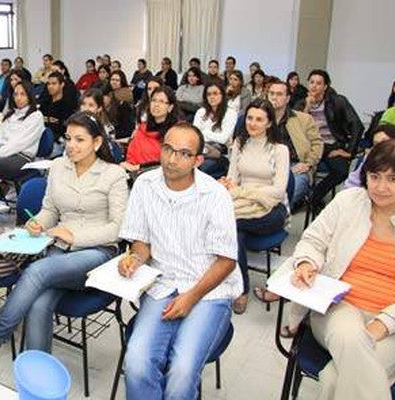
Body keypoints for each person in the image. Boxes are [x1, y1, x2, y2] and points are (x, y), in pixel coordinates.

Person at [0, 111, 128, 371]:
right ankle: (39, 375)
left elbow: (118, 228)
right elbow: (50, 210)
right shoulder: (59, 166)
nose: (71, 145)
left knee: (37, 270)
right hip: (59, 248)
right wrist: (38, 222)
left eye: (80, 140)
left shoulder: (113, 175)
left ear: (96, 143)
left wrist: (74, 235)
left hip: (97, 252)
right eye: (69, 138)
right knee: (39, 304)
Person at [285, 139, 395, 400]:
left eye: (392, 179)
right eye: (374, 176)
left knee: (335, 378)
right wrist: (306, 263)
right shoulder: (347, 202)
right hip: (340, 307)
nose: (380, 187)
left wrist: (384, 323)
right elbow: (313, 241)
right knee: (351, 337)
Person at [119, 122, 241, 399]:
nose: (172, 159)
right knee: (136, 363)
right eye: (168, 149)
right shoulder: (144, 184)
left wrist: (191, 297)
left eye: (184, 154)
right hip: (163, 283)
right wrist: (136, 257)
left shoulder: (215, 195)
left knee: (182, 371)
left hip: (209, 290)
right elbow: (141, 240)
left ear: (198, 160)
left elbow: (226, 262)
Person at [219, 99, 289, 314]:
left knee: (230, 224)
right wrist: (234, 189)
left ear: (269, 123)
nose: (253, 123)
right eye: (250, 118)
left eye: (259, 119)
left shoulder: (280, 149)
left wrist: (241, 192)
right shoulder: (240, 144)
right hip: (242, 206)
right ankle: (240, 288)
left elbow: (278, 191)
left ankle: (236, 287)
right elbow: (232, 180)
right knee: (235, 230)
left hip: (273, 210)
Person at [294, 69, 364, 211]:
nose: (314, 86)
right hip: (310, 146)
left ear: (325, 86)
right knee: (295, 169)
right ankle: (302, 198)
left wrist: (349, 152)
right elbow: (297, 129)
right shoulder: (301, 103)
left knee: (342, 170)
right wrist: (308, 106)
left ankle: (313, 197)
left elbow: (357, 125)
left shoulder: (337, 101)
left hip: (331, 145)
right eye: (312, 82)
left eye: (319, 83)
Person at [0, 81, 44, 183]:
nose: (18, 98)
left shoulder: (35, 116)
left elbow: (19, 143)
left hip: (21, 158)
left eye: (22, 94)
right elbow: (0, 134)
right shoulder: (12, 114)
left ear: (30, 96)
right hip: (4, 154)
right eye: (15, 94)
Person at [267, 80, 323, 206]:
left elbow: (317, 143)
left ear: (287, 99)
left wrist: (308, 164)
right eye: (271, 93)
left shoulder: (303, 119)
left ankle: (275, 215)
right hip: (267, 165)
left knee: (288, 194)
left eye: (279, 94)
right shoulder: (261, 119)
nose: (274, 97)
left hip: (295, 167)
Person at [122, 86, 178, 172]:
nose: (156, 105)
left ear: (170, 107)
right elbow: (131, 153)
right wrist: (129, 165)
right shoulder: (142, 128)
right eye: (153, 100)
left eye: (162, 101)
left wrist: (140, 167)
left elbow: (171, 161)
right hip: (134, 172)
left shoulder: (175, 132)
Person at [344, 124, 395, 194]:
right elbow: (352, 184)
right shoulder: (370, 158)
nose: (380, 147)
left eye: (384, 142)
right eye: (376, 144)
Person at [193, 82, 237, 179]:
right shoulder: (201, 112)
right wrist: (206, 136)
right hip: (200, 151)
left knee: (200, 169)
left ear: (222, 95)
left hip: (220, 154)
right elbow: (194, 135)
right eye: (209, 94)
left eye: (215, 93)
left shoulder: (230, 113)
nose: (212, 97)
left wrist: (204, 132)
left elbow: (223, 139)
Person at [39, 71, 76, 144]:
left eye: (54, 83)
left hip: (58, 142)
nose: (50, 86)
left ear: (62, 85)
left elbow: (66, 130)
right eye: (48, 84)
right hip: (40, 139)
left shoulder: (68, 105)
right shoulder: (44, 103)